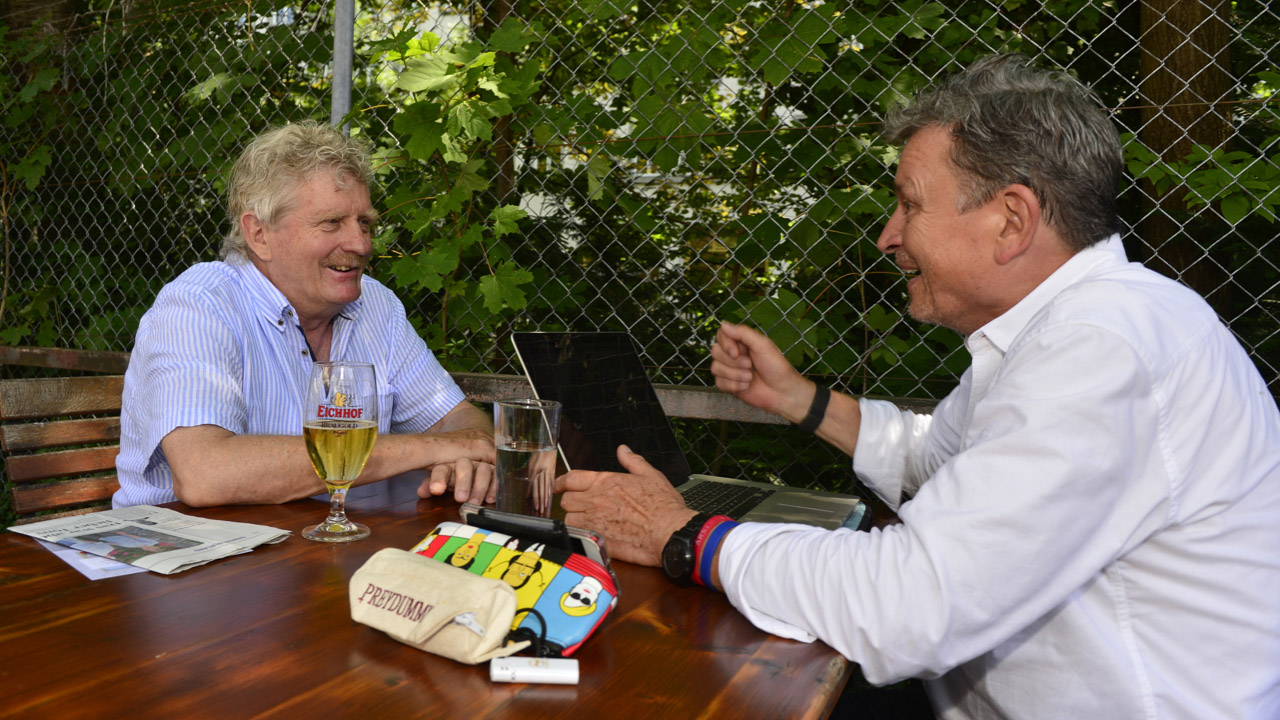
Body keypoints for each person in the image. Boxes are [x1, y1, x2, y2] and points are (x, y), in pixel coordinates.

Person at [553, 54, 1280, 718]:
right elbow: (942, 458)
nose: (888, 236)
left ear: (1012, 221)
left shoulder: (1102, 349)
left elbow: (911, 606)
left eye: (910, 204)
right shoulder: (1068, 328)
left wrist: (685, 536)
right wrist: (797, 400)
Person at [114, 121, 496, 508]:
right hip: (188, 558)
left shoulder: (377, 305)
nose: (361, 244)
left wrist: (467, 458)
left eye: (365, 223)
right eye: (332, 222)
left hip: (330, 550)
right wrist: (430, 450)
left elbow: (460, 422)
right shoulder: (200, 304)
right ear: (259, 234)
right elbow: (205, 475)